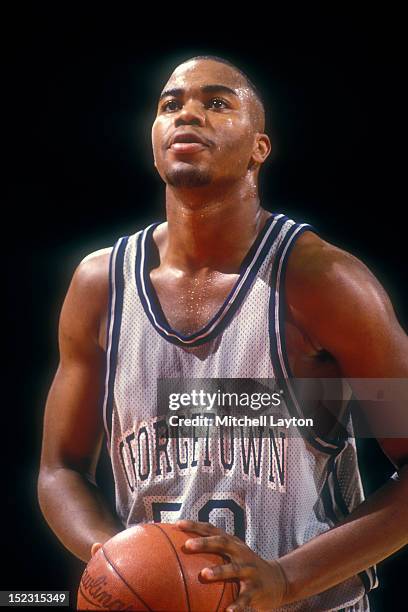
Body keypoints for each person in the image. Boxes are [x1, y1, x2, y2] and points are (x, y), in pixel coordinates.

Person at [38, 55, 408, 611]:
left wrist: (285, 579)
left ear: (260, 148)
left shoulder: (323, 284)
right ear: (154, 140)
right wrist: (124, 560)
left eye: (216, 103)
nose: (188, 115)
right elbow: (60, 468)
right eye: (171, 105)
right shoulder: (100, 285)